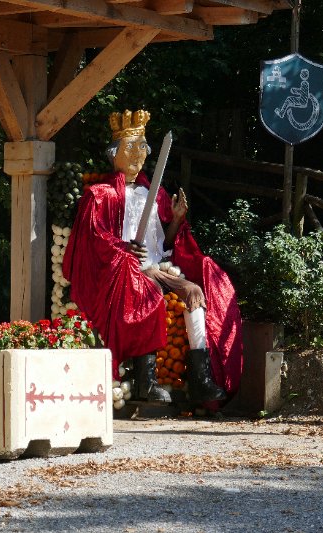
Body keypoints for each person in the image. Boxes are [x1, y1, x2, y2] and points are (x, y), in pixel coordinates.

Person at [62, 109, 243, 407]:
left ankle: (201, 380)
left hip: (158, 267)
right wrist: (122, 250)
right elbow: (93, 238)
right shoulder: (100, 195)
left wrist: (176, 219)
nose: (138, 154)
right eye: (130, 147)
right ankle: (146, 381)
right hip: (126, 271)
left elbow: (165, 245)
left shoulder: (155, 194)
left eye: (142, 147)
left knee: (195, 292)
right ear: (113, 154)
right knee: (149, 293)